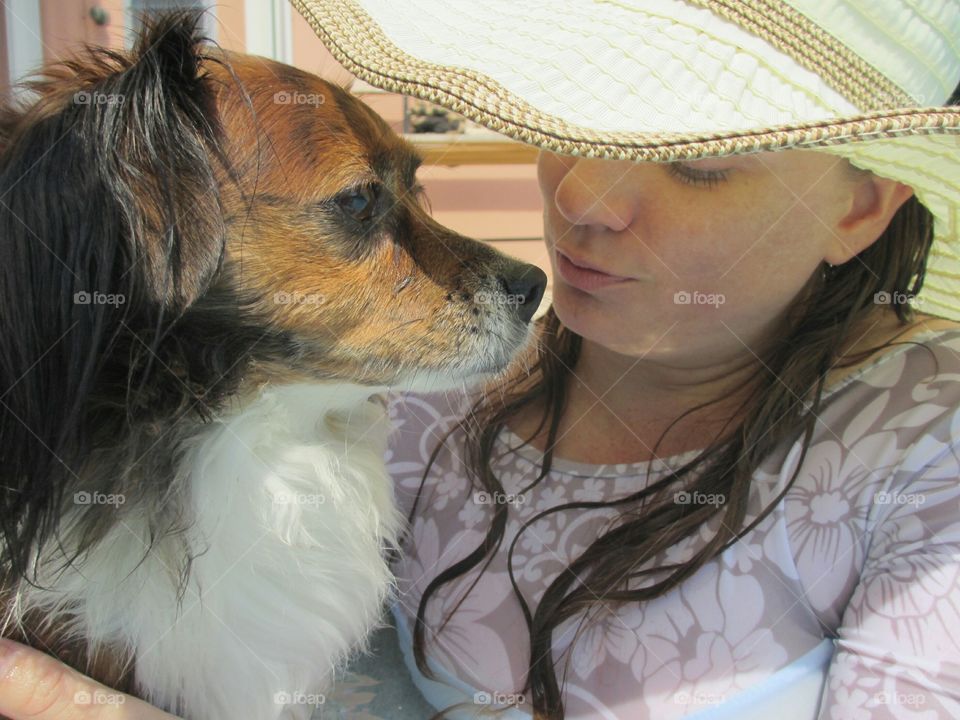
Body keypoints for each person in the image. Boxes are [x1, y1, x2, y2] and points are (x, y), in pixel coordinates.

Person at [3, 0, 960, 718]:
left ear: (859, 208)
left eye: (697, 162)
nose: (582, 197)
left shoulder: (927, 460)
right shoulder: (424, 403)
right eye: (575, 131)